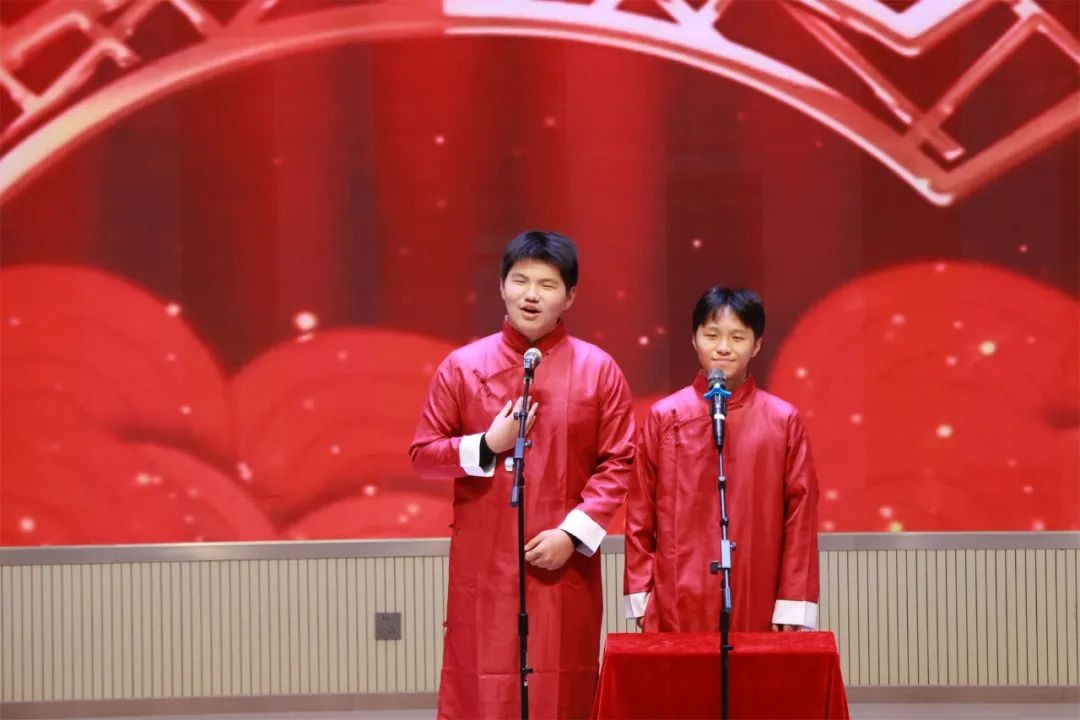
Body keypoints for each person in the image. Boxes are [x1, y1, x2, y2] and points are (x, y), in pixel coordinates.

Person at [410, 230, 635, 718]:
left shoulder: (599, 370)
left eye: (547, 285)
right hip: (485, 565)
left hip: (562, 565)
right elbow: (423, 455)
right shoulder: (462, 367)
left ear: (569, 296)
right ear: (501, 286)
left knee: (562, 685)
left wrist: (572, 535)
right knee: (484, 686)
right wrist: (487, 445)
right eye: (520, 281)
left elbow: (620, 462)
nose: (531, 295)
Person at [624, 287, 819, 633]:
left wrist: (792, 604)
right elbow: (641, 512)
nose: (723, 347)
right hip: (676, 595)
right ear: (694, 339)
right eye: (712, 335)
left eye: (737, 337)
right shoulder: (664, 416)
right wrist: (642, 594)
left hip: (758, 589)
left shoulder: (782, 420)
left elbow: (800, 516)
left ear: (756, 345)